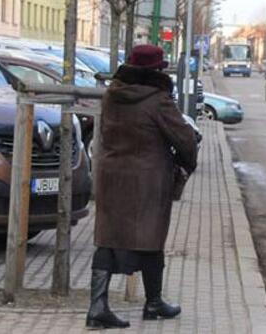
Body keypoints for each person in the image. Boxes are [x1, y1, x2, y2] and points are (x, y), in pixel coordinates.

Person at [86, 45, 198, 329]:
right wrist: (188, 161)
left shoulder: (112, 95)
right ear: (155, 71)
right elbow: (184, 138)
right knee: (151, 238)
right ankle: (154, 302)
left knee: (107, 239)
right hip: (148, 181)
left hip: (111, 177)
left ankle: (98, 307)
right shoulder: (158, 100)